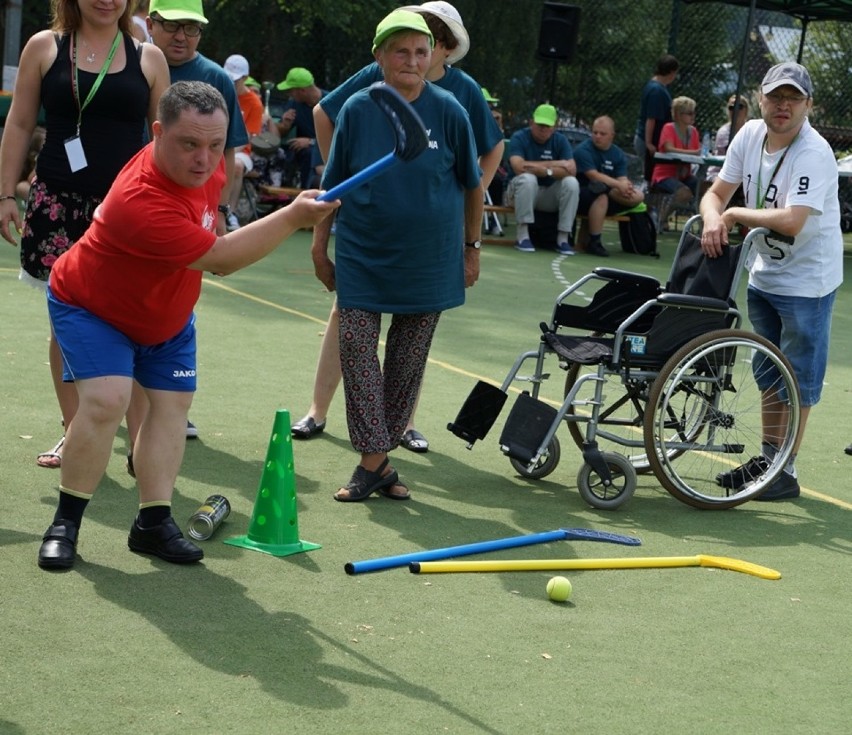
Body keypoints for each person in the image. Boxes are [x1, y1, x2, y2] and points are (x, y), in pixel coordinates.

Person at [36, 81, 338, 570]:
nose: (204, 160)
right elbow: (220, 259)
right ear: (157, 133)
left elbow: (210, 223)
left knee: (172, 408)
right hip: (92, 307)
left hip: (167, 315)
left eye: (216, 146)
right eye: (190, 144)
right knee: (108, 399)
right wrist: (293, 216)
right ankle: (65, 524)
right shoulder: (138, 202)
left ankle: (152, 524)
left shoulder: (206, 167)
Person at [291, 0, 504, 453]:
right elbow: (331, 178)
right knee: (355, 343)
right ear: (380, 56)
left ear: (439, 50)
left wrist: (471, 244)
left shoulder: (455, 102)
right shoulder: (359, 103)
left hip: (428, 257)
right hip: (364, 251)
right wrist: (319, 245)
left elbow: (475, 173)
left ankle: (379, 455)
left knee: (407, 360)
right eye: (401, 50)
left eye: (422, 48)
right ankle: (353, 438)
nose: (413, 59)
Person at [0, 0, 170, 469]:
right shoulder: (44, 48)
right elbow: (18, 123)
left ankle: (139, 443)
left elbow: (165, 144)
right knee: (66, 326)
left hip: (126, 215)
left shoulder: (148, 58)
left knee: (133, 326)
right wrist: (4, 195)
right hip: (57, 208)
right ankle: (74, 432)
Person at [700, 62, 842, 501]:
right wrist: (711, 218)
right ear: (760, 98)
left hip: (807, 282)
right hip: (764, 274)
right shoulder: (749, 134)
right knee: (768, 370)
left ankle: (785, 470)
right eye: (775, 96)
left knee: (797, 377)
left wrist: (737, 214)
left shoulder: (813, 152)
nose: (783, 105)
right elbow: (716, 193)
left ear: (808, 105)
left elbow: (793, 221)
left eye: (793, 98)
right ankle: (768, 459)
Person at [141, 0, 251, 443]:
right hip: (138, 207)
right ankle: (117, 406)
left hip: (194, 211)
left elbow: (227, 154)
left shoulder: (216, 78)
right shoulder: (132, 65)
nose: (181, 36)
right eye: (170, 25)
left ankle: (166, 403)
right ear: (150, 24)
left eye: (192, 27)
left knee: (177, 303)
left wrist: (221, 210)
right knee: (121, 301)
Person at [506, 103, 580, 254]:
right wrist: (556, 164)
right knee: (528, 179)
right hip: (516, 195)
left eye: (547, 125)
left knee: (572, 183)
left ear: (555, 126)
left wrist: (546, 172)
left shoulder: (560, 140)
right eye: (539, 124)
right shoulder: (519, 137)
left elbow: (571, 169)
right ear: (531, 122)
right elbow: (519, 166)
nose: (543, 129)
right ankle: (522, 236)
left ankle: (563, 238)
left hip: (547, 194)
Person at [574, 115, 644, 256]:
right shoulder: (583, 150)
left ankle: (607, 190)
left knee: (638, 196)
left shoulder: (617, 153)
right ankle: (595, 242)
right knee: (601, 196)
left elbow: (622, 177)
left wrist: (625, 186)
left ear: (612, 135)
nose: (598, 136)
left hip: (608, 194)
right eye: (595, 132)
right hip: (582, 195)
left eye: (602, 134)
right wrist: (618, 185)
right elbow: (593, 175)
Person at [223, 53, 263, 231]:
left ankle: (228, 212)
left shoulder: (254, 103)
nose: (232, 82)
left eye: (237, 79)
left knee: (236, 165)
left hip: (241, 151)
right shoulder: (220, 91)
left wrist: (224, 152)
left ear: (245, 78)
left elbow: (247, 137)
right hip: (215, 146)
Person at [650, 96, 700, 225]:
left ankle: (703, 225)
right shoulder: (668, 128)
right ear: (678, 114)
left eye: (693, 112)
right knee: (684, 193)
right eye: (689, 113)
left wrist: (694, 153)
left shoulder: (693, 131)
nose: (693, 116)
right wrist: (693, 153)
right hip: (664, 175)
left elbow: (698, 153)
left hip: (685, 175)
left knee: (705, 188)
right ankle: (661, 219)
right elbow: (668, 148)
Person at [275, 67, 326, 189]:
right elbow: (281, 133)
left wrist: (311, 142)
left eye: (290, 91)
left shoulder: (330, 102)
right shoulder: (294, 103)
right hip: (300, 152)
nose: (289, 94)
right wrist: (285, 125)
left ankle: (306, 192)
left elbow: (339, 134)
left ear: (302, 91)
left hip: (325, 151)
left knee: (309, 152)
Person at [634, 54, 679, 184]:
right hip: (648, 140)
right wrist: (649, 143)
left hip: (648, 139)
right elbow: (651, 119)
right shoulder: (656, 91)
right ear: (671, 72)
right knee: (650, 176)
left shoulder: (655, 87)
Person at [706, 94, 750, 183]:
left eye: (739, 106)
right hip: (721, 172)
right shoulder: (723, 132)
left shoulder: (752, 130)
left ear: (746, 110)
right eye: (731, 107)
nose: (735, 110)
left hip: (745, 174)